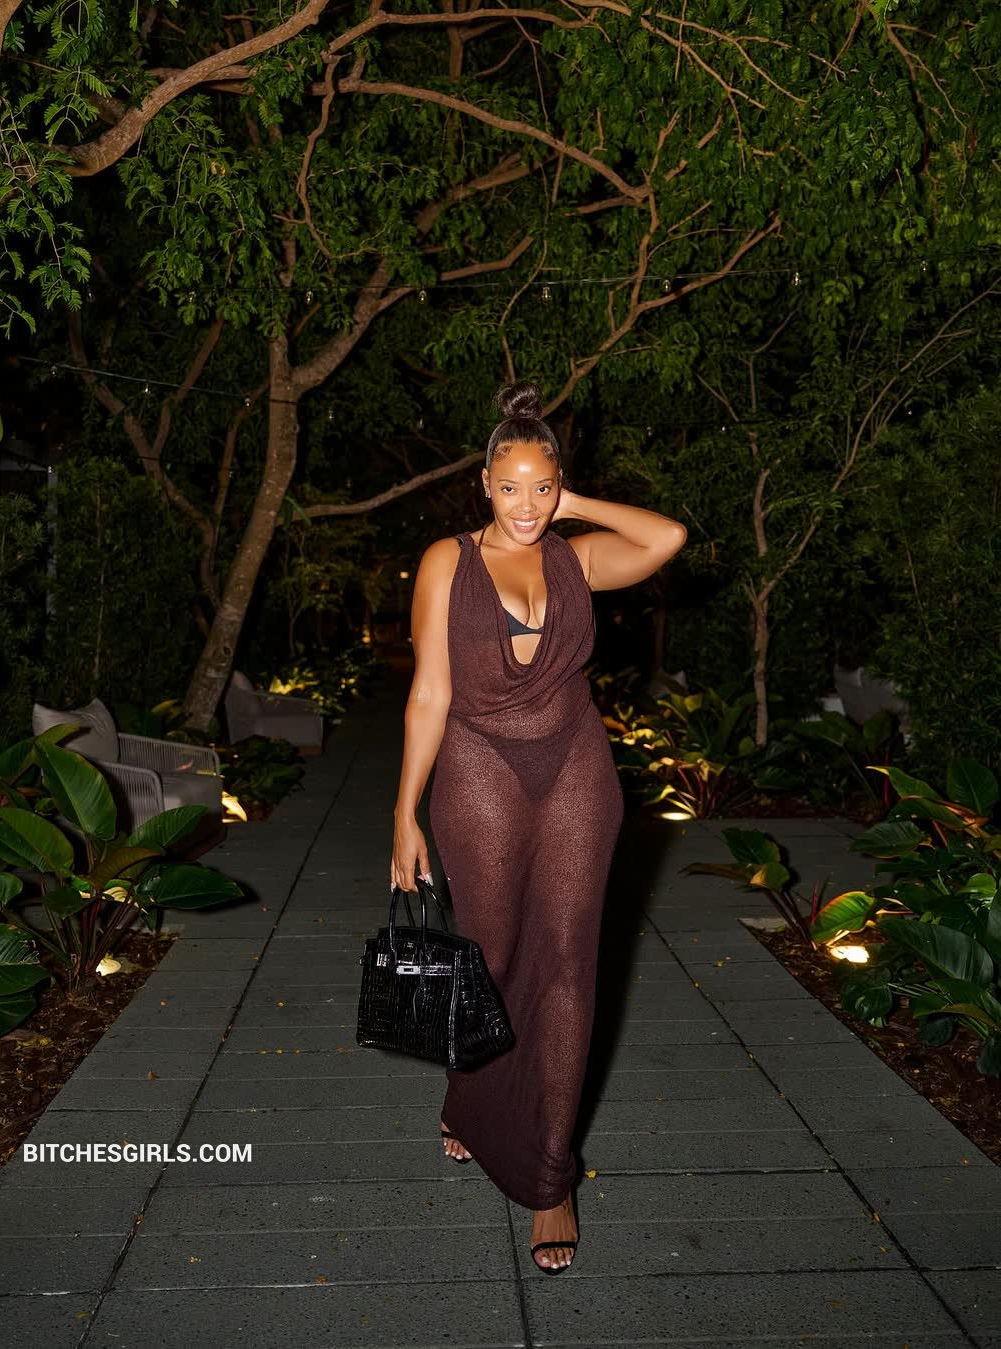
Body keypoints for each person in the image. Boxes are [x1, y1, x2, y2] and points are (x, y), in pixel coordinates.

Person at [390, 380, 687, 1273]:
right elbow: (429, 693)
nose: (526, 505)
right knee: (492, 953)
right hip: (478, 765)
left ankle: (552, 1174)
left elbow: (666, 538)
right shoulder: (446, 563)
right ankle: (470, 1096)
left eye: (542, 487)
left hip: (576, 769)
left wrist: (574, 503)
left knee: (565, 963)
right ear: (483, 484)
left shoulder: (578, 559)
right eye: (510, 486)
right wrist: (405, 811)